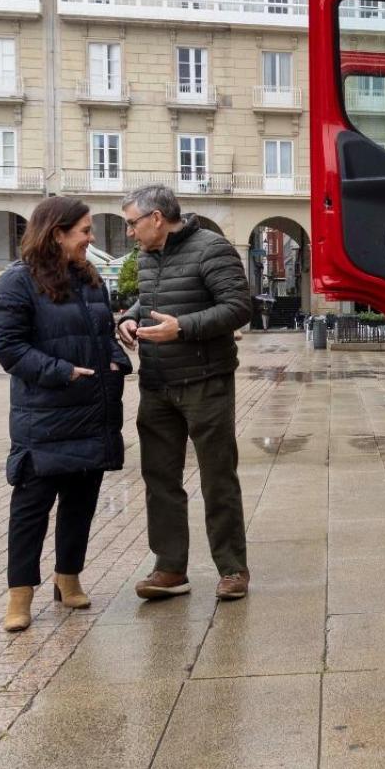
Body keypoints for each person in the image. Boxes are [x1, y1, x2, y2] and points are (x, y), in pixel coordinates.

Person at [0, 196, 131, 633]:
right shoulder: (17, 281)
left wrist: (117, 362)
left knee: (80, 504)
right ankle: (20, 595)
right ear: (57, 233)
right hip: (45, 416)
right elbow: (8, 347)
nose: (91, 238)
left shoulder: (90, 279)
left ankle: (68, 577)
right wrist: (62, 371)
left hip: (92, 409)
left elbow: (104, 334)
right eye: (85, 231)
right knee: (30, 510)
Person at [116, 184, 254, 601]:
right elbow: (152, 300)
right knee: (159, 478)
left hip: (205, 381)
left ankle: (232, 569)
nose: (129, 232)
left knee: (217, 477)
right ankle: (170, 569)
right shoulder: (146, 255)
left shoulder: (212, 248)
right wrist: (129, 318)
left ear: (157, 218)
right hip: (156, 383)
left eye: (132, 223)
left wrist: (183, 328)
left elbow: (238, 307)